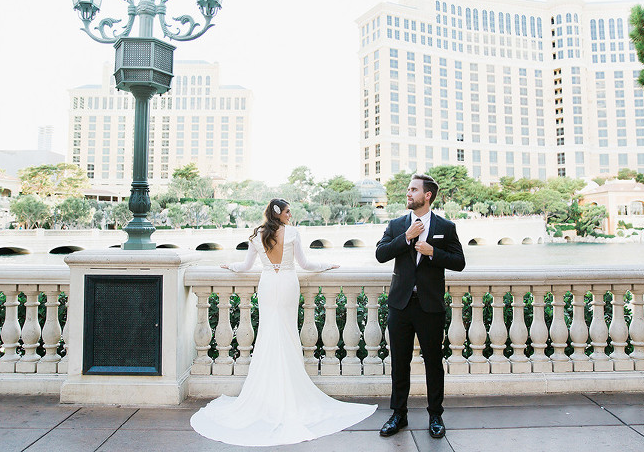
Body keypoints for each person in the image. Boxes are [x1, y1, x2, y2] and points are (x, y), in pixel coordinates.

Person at [190, 198, 376, 447]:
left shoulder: (257, 235)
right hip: (288, 284)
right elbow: (306, 265)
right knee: (287, 334)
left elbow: (245, 267)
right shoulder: (293, 233)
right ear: (279, 213)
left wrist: (230, 266)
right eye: (288, 211)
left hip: (268, 285)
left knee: (269, 334)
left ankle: (267, 393)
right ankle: (288, 388)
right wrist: (327, 265)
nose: (291, 214)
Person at [375, 174, 466, 439]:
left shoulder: (445, 227)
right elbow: (380, 254)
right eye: (408, 189)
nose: (408, 193)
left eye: (413, 189)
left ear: (427, 195)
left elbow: (459, 262)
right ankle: (398, 415)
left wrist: (433, 253)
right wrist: (405, 237)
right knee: (399, 362)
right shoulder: (396, 224)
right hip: (400, 305)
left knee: (433, 363)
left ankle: (435, 415)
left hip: (430, 306)